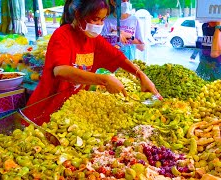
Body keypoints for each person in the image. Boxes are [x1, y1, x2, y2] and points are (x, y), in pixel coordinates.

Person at [23, 0, 160, 125]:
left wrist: (141, 75)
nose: (100, 24)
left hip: (67, 110)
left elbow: (117, 57)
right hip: (44, 109)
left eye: (102, 20)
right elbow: (60, 70)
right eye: (95, 19)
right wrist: (104, 80)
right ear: (78, 14)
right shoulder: (62, 35)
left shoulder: (93, 39)